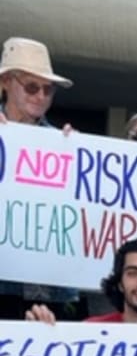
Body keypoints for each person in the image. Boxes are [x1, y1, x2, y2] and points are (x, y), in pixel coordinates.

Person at [0, 36, 77, 319]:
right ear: (7, 82)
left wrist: (77, 155)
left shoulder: (62, 142)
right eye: (32, 87)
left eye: (48, 89)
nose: (41, 96)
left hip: (45, 290)